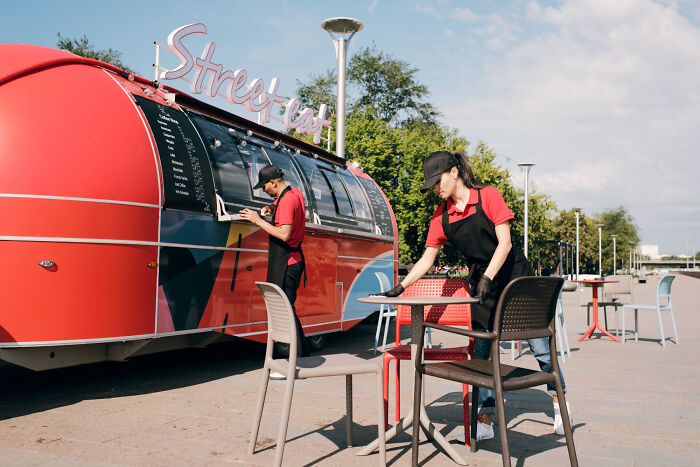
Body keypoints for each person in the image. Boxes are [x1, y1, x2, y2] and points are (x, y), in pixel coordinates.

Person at [378, 150, 570, 441]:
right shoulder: (440, 217)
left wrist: (489, 279)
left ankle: (560, 404)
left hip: (515, 275)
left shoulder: (489, 196)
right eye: (432, 185)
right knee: (482, 352)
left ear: (454, 172)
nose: (436, 189)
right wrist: (402, 286)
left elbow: (504, 244)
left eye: (438, 180)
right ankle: (485, 418)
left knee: (540, 346)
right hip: (482, 281)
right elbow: (427, 259)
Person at [239, 164, 310, 358]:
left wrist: (257, 220)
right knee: (289, 311)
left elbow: (284, 234)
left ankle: (294, 360)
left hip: (287, 263)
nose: (263, 190)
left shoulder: (286, 201)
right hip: (294, 261)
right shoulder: (295, 194)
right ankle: (301, 356)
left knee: (286, 312)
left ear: (273, 182)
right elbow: (288, 209)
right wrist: (271, 208)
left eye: (264, 186)